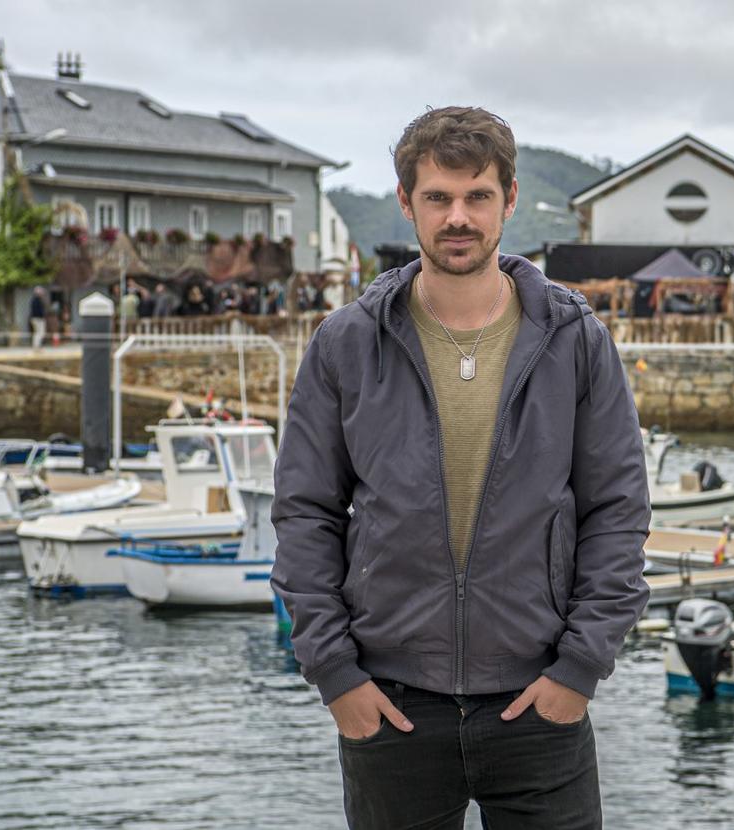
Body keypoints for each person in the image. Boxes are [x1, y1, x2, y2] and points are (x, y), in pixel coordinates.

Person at [271, 106, 650, 829]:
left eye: (477, 196)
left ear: (509, 201)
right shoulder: (347, 343)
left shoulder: (575, 340)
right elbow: (305, 514)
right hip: (391, 708)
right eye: (438, 197)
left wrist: (578, 670)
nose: (458, 218)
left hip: (541, 705)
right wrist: (336, 677)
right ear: (406, 201)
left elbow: (617, 511)